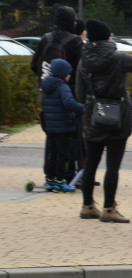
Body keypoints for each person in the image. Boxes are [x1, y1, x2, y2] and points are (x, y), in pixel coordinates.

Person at [74, 19, 132, 223]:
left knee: (90, 163)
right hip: (117, 116)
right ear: (107, 37)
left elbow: (79, 93)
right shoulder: (117, 58)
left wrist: (92, 104)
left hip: (93, 117)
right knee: (112, 166)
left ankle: (87, 206)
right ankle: (109, 208)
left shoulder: (83, 60)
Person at [39, 58, 83, 193]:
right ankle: (60, 181)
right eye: (68, 73)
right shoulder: (62, 87)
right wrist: (84, 108)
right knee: (62, 155)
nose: (70, 75)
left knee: (51, 153)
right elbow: (69, 103)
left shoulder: (47, 86)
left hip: (50, 127)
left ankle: (50, 179)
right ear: (63, 74)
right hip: (63, 127)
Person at [31, 5, 82, 86]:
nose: (75, 23)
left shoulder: (45, 38)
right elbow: (81, 69)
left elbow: (34, 65)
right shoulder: (75, 41)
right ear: (69, 21)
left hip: (47, 88)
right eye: (73, 19)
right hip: (67, 89)